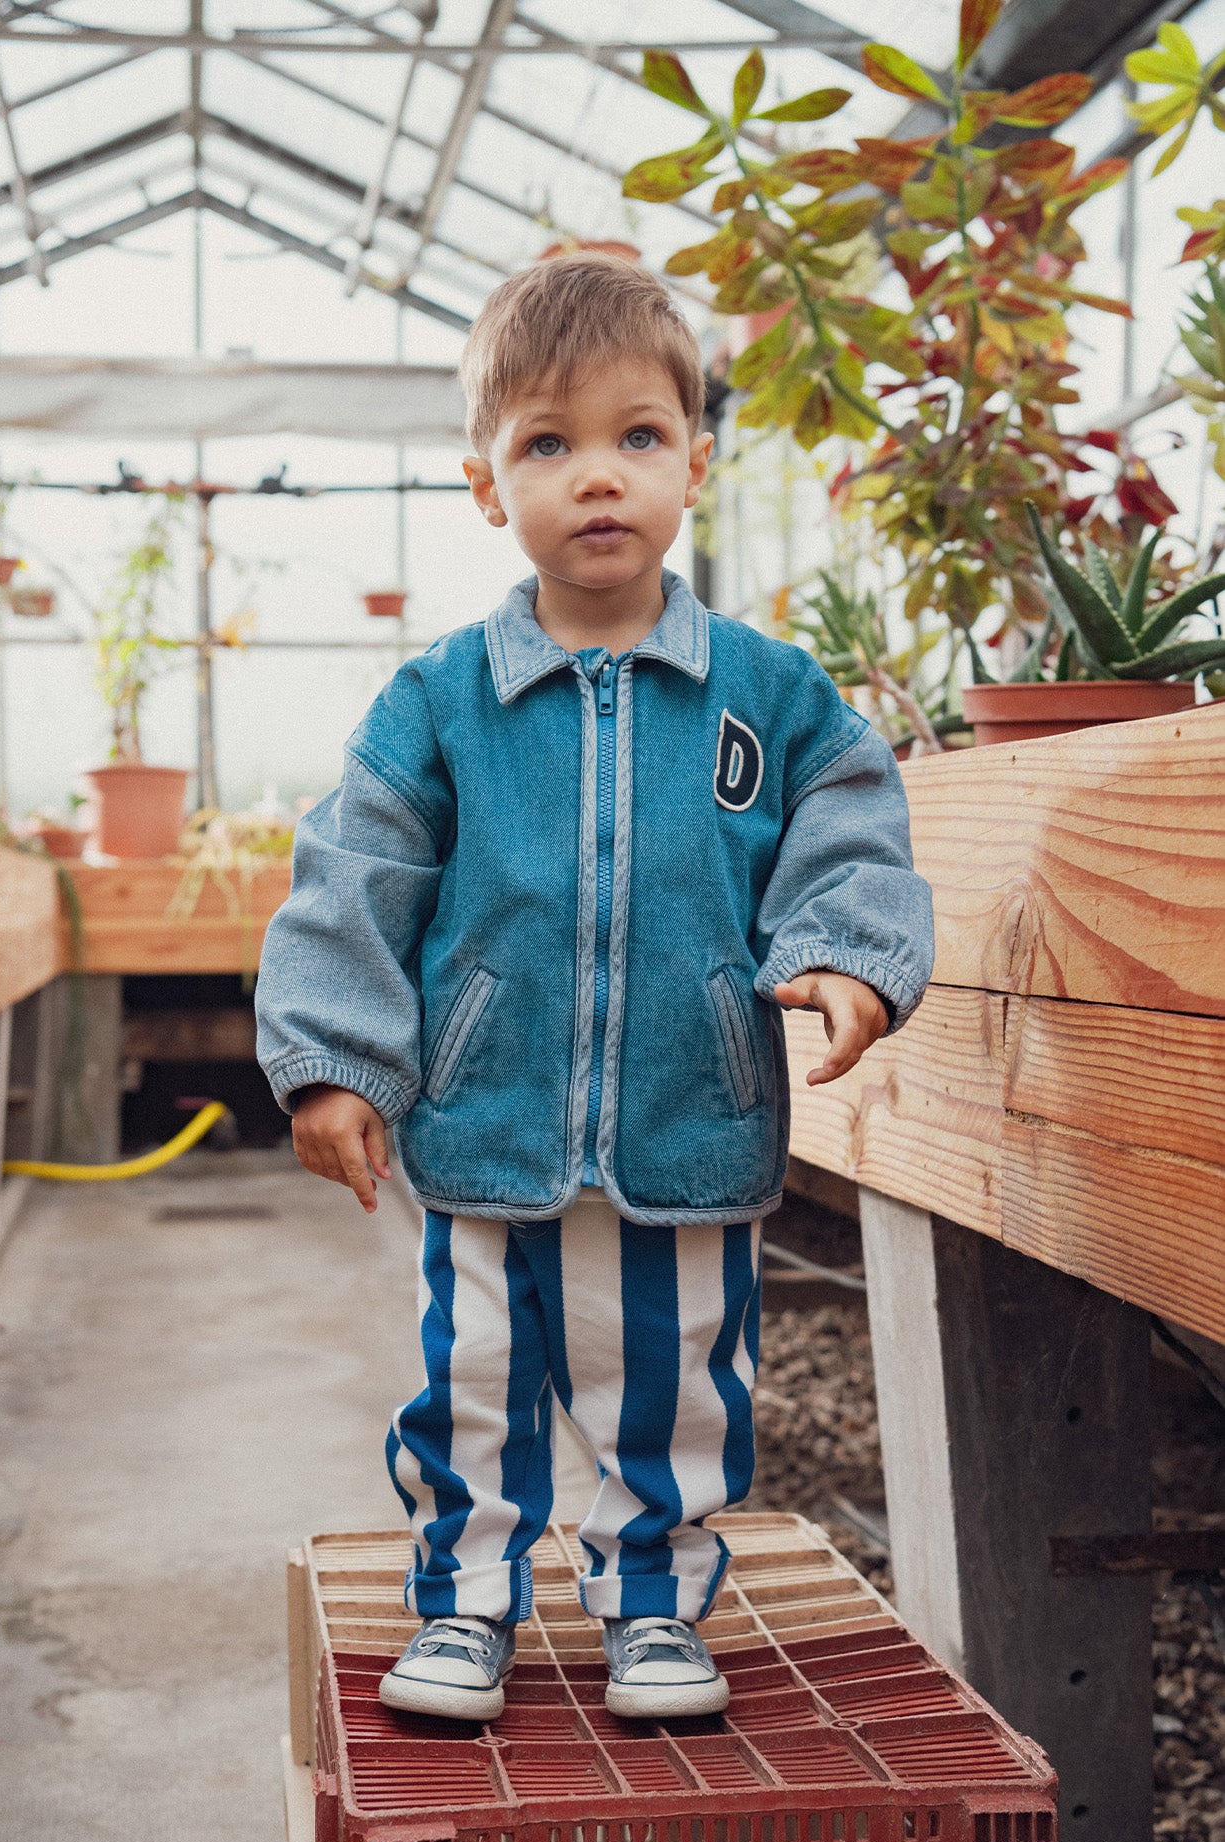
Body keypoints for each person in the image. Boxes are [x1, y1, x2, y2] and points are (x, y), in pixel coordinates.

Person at [255, 254, 933, 1724]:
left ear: (698, 457)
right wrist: (331, 1064)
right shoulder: (440, 700)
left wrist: (841, 948)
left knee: (678, 1384)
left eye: (638, 437)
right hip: (486, 1123)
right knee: (478, 1375)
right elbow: (354, 874)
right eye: (547, 444)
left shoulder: (770, 691)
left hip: (688, 1118)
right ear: (488, 487)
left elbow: (852, 820)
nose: (599, 477)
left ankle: (652, 1605)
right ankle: (466, 1604)